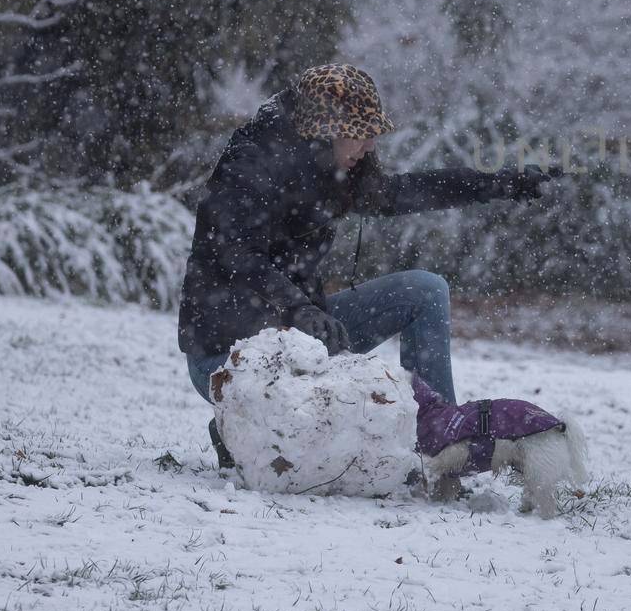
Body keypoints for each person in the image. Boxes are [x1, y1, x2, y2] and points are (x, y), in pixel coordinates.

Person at [177, 63, 557, 467]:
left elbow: (401, 192)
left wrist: (496, 184)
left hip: (305, 336)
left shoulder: (333, 171)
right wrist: (297, 307)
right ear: (324, 131)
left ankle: (437, 440)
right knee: (336, 424)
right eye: (361, 133)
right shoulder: (250, 165)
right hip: (228, 355)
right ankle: (241, 425)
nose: (371, 144)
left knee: (424, 290)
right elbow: (234, 253)